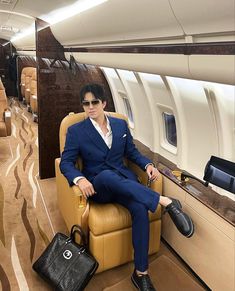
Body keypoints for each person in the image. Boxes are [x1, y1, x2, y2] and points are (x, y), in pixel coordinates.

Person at [60, 83, 194, 291]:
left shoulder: (121, 125)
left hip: (124, 183)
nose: (90, 107)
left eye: (95, 102)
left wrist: (148, 165)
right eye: (86, 103)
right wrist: (80, 179)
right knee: (105, 175)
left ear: (104, 103)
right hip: (98, 186)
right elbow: (66, 162)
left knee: (140, 208)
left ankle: (140, 273)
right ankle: (165, 202)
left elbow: (132, 153)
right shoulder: (76, 131)